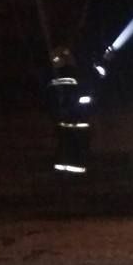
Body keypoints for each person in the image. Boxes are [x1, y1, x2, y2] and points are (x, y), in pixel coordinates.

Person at [46, 47, 94, 175]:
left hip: (63, 123)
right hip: (78, 123)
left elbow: (52, 102)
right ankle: (75, 175)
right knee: (76, 149)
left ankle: (62, 173)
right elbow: (85, 96)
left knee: (64, 147)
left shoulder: (53, 80)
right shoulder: (74, 78)